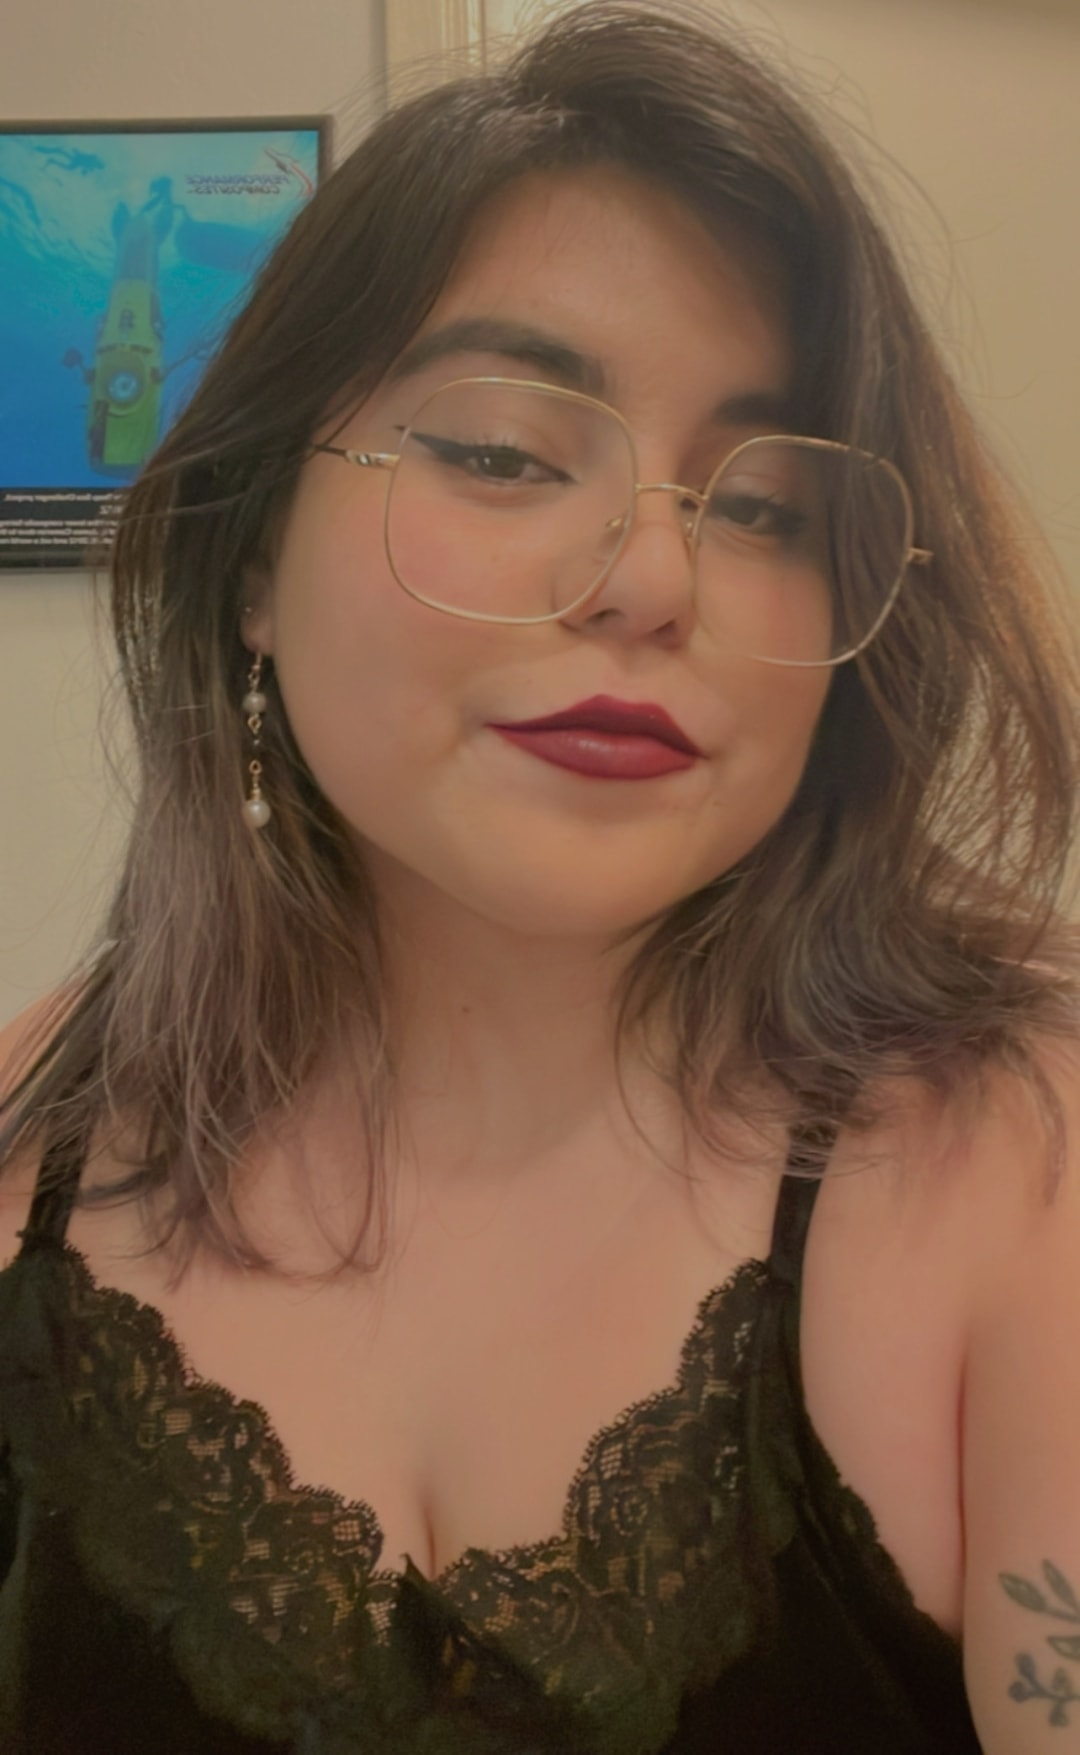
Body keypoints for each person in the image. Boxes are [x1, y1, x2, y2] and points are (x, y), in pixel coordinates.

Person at [1, 4, 1078, 1749]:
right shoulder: (27, 1148)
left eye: (767, 508)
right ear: (253, 559)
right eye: (503, 451)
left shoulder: (1022, 1167)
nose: (655, 577)